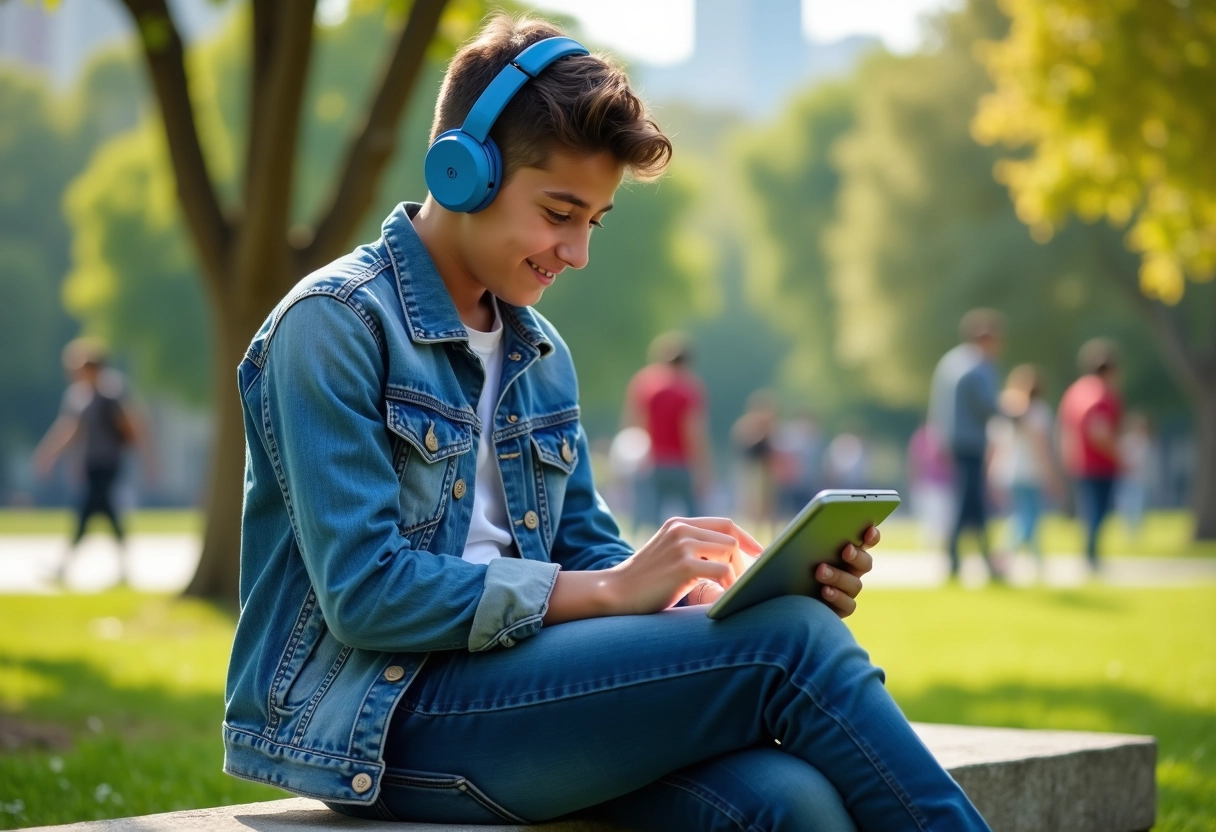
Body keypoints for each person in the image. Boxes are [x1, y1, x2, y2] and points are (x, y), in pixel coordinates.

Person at [220, 15, 990, 832]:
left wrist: (692, 602)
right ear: (462, 174)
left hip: (521, 693)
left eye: (594, 220)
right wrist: (608, 592)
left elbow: (584, 546)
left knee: (788, 804)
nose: (577, 252)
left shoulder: (538, 350)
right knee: (790, 644)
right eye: (559, 213)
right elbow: (366, 594)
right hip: (385, 720)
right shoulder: (333, 325)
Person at [32, 338, 148, 586]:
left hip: (108, 463)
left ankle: (64, 567)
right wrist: (49, 453)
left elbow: (130, 426)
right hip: (91, 463)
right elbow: (70, 430)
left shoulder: (112, 392)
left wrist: (146, 458)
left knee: (85, 511)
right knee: (106, 512)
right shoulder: (77, 396)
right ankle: (124, 569)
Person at [928, 309, 1006, 582]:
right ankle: (959, 557)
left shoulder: (950, 362)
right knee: (967, 502)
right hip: (970, 443)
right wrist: (1014, 411)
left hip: (953, 441)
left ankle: (977, 558)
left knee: (970, 502)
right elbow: (986, 406)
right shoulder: (977, 365)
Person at [622, 332, 710, 529]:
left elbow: (633, 425)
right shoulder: (689, 389)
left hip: (652, 462)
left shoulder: (644, 385)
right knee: (693, 518)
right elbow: (693, 432)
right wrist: (703, 469)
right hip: (681, 463)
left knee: (651, 519)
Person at [987, 365, 1061, 577]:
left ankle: (1038, 561)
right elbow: (1041, 447)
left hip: (1007, 472)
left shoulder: (1005, 410)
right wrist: (1051, 474)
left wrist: (989, 472)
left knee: (1026, 516)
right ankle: (1003, 553)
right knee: (1030, 518)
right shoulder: (1037, 412)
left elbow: (994, 445)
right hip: (1030, 472)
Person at [1059, 338, 1123, 572]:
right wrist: (1120, 455)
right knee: (1098, 512)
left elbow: (1065, 428)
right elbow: (1099, 431)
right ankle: (1092, 556)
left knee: (1090, 511)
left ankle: (1090, 554)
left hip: (1079, 461)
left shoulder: (1075, 391)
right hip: (1100, 463)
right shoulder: (1101, 394)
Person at [730, 389, 780, 528]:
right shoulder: (746, 426)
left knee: (768, 504)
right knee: (751, 504)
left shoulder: (771, 428)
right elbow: (746, 448)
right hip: (751, 469)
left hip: (766, 470)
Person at [1116, 412, 1154, 539]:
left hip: (1139, 480)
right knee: (1126, 506)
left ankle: (1135, 533)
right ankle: (1128, 532)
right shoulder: (1128, 441)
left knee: (1138, 506)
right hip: (1127, 479)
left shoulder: (1146, 443)